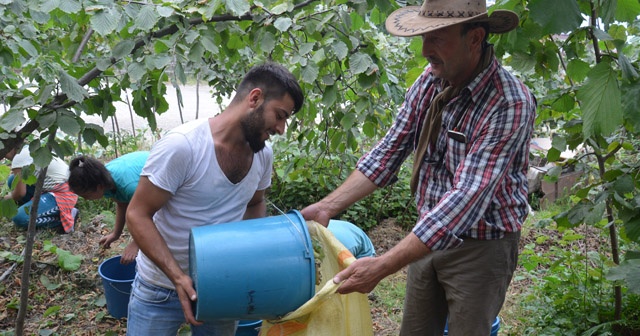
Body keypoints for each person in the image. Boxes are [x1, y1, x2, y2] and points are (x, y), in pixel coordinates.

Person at [300, 0, 536, 335]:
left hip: (482, 245)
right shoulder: (431, 81)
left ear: (475, 37)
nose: (425, 50)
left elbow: (465, 201)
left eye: (437, 37)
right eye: (423, 37)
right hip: (427, 234)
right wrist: (326, 207)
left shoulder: (508, 102)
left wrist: (382, 265)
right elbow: (388, 152)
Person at [125, 62, 304, 336]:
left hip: (224, 287)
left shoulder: (262, 156)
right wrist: (178, 277)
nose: (281, 129)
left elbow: (255, 203)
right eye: (279, 115)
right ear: (254, 98)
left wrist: (253, 259)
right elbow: (137, 214)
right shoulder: (182, 146)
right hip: (160, 288)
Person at [68, 151, 149, 264]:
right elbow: (121, 203)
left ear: (99, 187)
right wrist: (116, 234)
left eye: (86, 195)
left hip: (166, 173)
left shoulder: (129, 187)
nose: (86, 199)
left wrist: (136, 244)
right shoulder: (102, 180)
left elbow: (151, 215)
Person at [3, 145, 78, 232]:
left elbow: (20, 193)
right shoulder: (30, 147)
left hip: (64, 194)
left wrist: (3, 200)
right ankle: (40, 208)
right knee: (12, 180)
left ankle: (63, 218)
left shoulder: (18, 158)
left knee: (20, 218)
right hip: (63, 187)